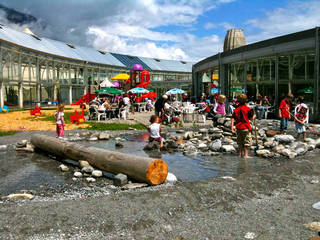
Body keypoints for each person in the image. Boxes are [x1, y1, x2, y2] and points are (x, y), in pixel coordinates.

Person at [231, 93, 255, 158]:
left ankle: (240, 155)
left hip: (238, 127)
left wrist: (232, 127)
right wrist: (254, 116)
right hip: (246, 127)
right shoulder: (248, 109)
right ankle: (246, 155)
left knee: (240, 142)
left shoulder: (236, 110)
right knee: (247, 141)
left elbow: (233, 118)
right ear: (246, 100)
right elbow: (251, 118)